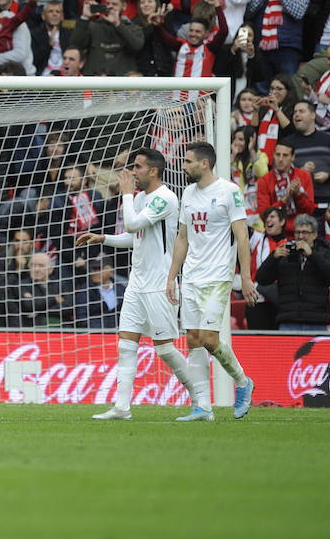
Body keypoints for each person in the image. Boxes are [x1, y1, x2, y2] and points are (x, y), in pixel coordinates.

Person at [77, 148, 198, 420]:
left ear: (153, 171)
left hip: (160, 284)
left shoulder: (165, 198)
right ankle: (122, 407)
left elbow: (132, 225)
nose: (133, 172)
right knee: (126, 345)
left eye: (138, 167)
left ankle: (201, 400)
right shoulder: (142, 198)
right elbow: (136, 237)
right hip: (136, 283)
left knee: (165, 348)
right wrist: (103, 238)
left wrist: (125, 193)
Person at [166, 140, 257, 422]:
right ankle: (203, 407)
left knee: (208, 339)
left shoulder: (229, 192)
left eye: (188, 161)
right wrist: (172, 277)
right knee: (192, 339)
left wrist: (246, 276)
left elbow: (242, 236)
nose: (184, 166)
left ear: (204, 163)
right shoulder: (188, 193)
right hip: (191, 276)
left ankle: (242, 382)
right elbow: (182, 238)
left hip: (217, 276)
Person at [254, 213, 330, 331]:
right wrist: (273, 258)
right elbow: (262, 279)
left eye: (305, 232)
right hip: (288, 319)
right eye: (297, 232)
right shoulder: (285, 255)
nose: (301, 236)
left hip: (316, 320)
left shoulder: (324, 253)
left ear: (314, 235)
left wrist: (312, 254)